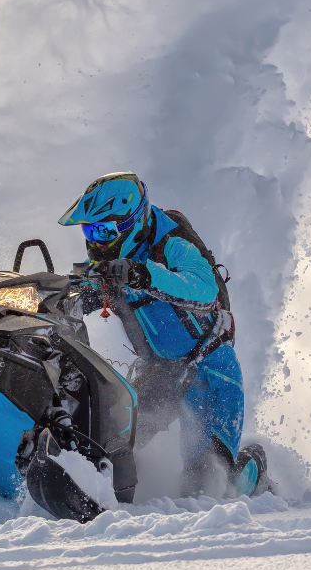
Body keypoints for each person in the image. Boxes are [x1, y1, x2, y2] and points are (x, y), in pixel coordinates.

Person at [59, 172, 269, 496]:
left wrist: (144, 275)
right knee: (117, 444)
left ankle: (254, 467)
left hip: (208, 367)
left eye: (102, 230)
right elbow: (71, 306)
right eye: (89, 230)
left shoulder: (172, 246)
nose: (95, 241)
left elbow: (203, 288)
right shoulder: (104, 268)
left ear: (130, 223)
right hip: (160, 373)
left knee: (209, 482)